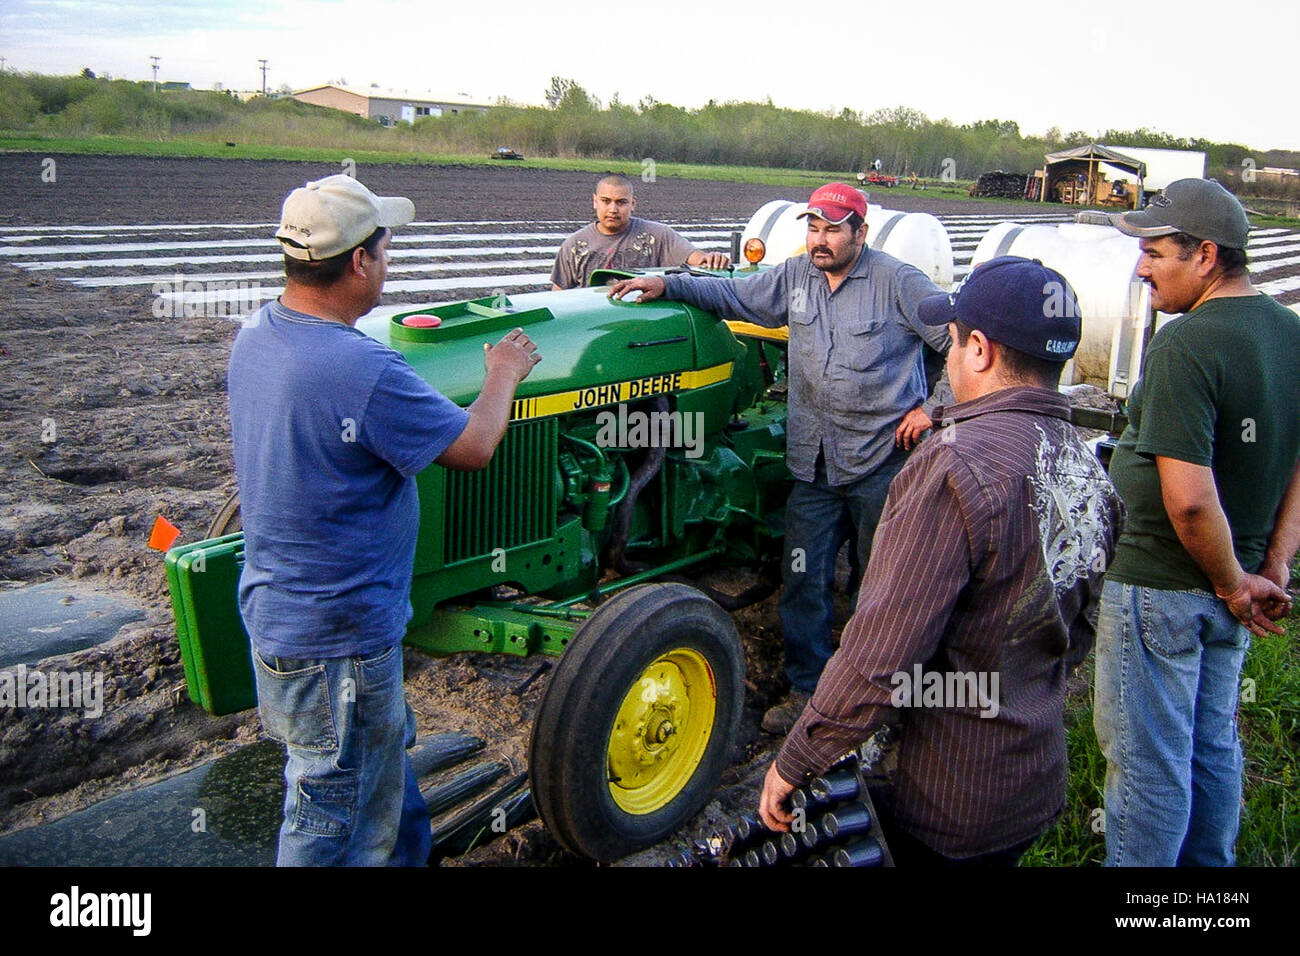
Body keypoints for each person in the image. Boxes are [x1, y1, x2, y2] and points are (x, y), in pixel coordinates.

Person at [757, 256, 1123, 866]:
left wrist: (799, 758)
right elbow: (1074, 634)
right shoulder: (1087, 468)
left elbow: (882, 652)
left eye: (951, 339)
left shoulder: (954, 465)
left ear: (978, 350)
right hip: (1029, 780)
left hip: (942, 796)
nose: (946, 356)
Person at [229, 174, 541, 865]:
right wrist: (504, 372)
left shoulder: (258, 332)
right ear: (359, 262)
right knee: (327, 813)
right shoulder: (358, 365)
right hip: (338, 637)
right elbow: (474, 447)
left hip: (282, 609)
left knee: (378, 769)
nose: (388, 260)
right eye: (386, 247)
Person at [609, 182, 951, 733]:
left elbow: (958, 339)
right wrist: (668, 283)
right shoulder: (795, 276)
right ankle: (808, 689)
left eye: (832, 229)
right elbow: (734, 296)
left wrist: (932, 408)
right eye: (813, 228)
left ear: (860, 232)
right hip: (814, 460)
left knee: (879, 585)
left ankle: (875, 701)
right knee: (803, 577)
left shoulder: (899, 281)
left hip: (882, 458)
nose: (819, 240)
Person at [1096, 178, 1300, 866]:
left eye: (1155, 253)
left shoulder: (1187, 344)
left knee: (1147, 763)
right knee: (1211, 745)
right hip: (1235, 584)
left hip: (1164, 585)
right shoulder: (1290, 334)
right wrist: (1270, 565)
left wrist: (1232, 582)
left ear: (1206, 255)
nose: (1141, 269)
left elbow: (1188, 498)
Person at [550, 174, 730, 289]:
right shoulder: (574, 245)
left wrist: (711, 258)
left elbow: (698, 260)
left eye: (621, 202)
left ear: (633, 204)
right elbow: (558, 297)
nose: (613, 209)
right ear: (595, 201)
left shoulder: (658, 236)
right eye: (606, 201)